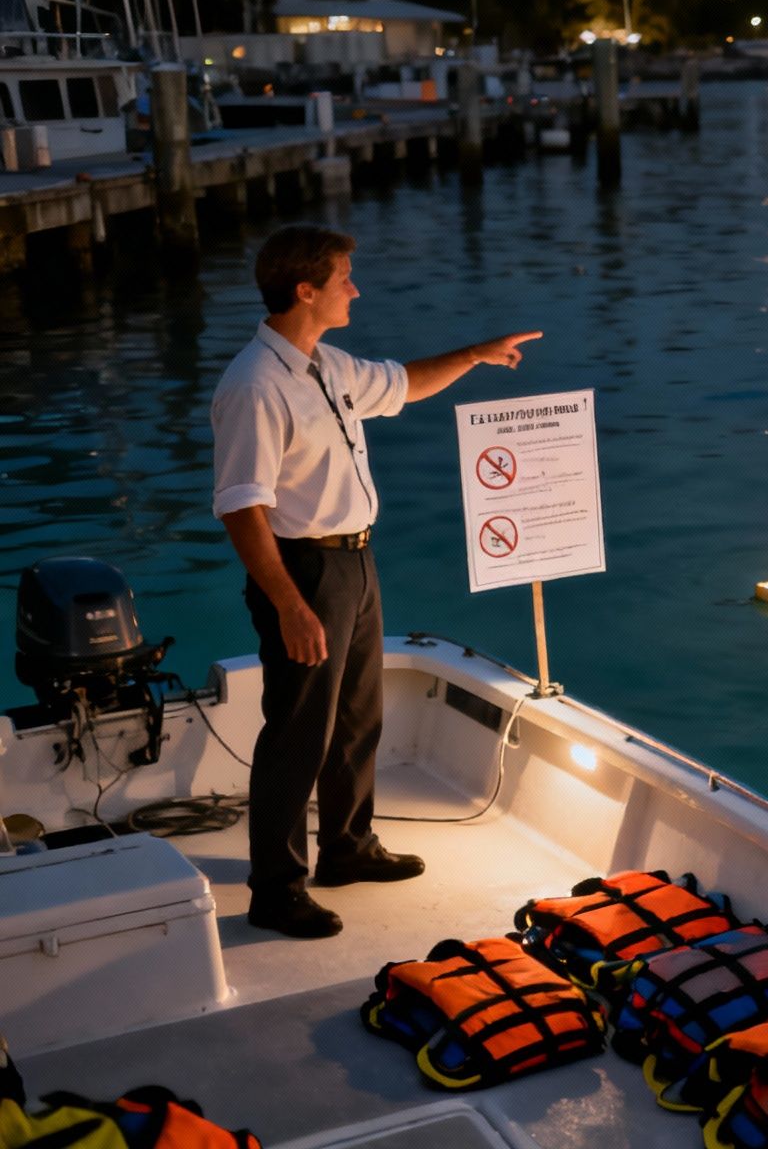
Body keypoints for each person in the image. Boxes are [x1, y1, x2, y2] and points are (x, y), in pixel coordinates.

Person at [211, 224, 541, 938]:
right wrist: (291, 605)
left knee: (359, 715)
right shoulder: (256, 385)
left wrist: (477, 355)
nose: (355, 289)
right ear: (306, 291)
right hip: (304, 570)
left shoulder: (324, 364)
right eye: (343, 279)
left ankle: (348, 848)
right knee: (299, 731)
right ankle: (275, 888)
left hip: (355, 560)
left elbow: (405, 383)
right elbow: (242, 507)